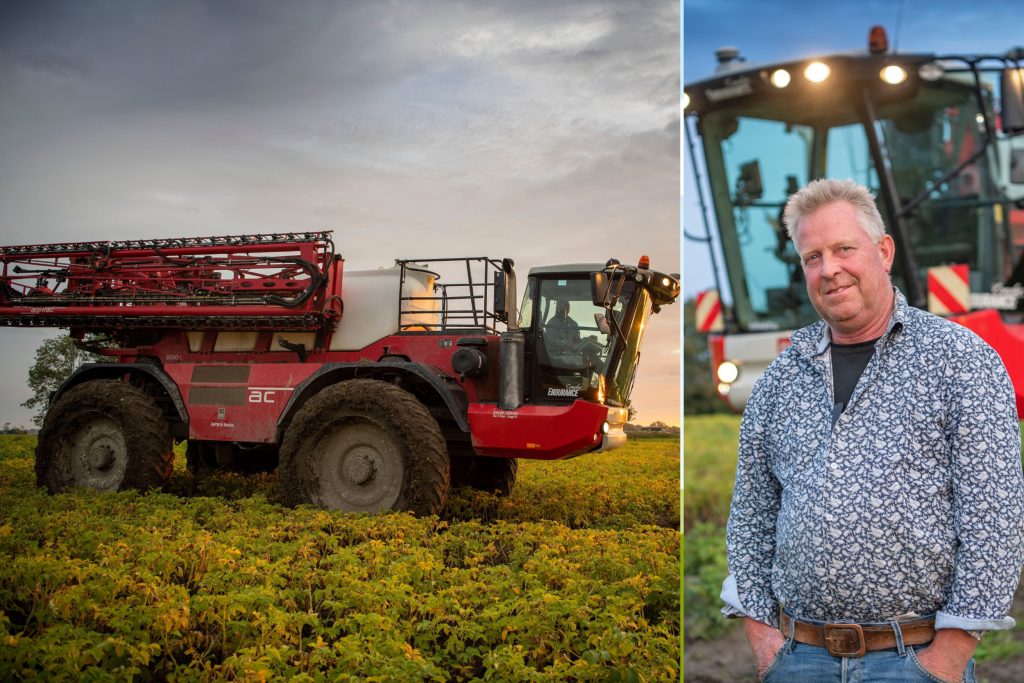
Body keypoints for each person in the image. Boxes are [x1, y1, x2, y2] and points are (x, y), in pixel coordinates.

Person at [721, 178, 1024, 683]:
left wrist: (946, 661)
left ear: (883, 251)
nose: (829, 269)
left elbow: (994, 521)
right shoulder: (780, 376)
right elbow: (751, 514)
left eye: (843, 249)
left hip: (913, 660)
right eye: (812, 257)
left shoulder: (961, 360)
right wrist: (763, 640)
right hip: (798, 659)